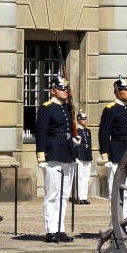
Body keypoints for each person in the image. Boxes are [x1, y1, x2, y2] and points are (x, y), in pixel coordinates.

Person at [35, 75, 78, 243]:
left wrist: (74, 140)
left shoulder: (66, 108)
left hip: (67, 153)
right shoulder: (47, 108)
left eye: (66, 89)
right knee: (52, 194)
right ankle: (50, 230)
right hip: (53, 154)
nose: (65, 92)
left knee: (64, 194)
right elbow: (41, 133)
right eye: (61, 89)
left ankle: (60, 228)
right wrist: (41, 155)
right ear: (53, 90)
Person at [98, 74, 127, 219]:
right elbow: (104, 133)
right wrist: (105, 154)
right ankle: (115, 223)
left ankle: (125, 221)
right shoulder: (111, 109)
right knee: (115, 192)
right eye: (125, 90)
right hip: (116, 153)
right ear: (117, 91)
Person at [75, 110, 92, 205]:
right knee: (80, 177)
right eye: (83, 119)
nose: (85, 121)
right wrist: (75, 157)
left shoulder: (88, 131)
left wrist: (90, 157)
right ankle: (79, 197)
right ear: (78, 120)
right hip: (79, 155)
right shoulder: (76, 130)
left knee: (86, 177)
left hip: (87, 156)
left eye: (85, 119)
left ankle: (84, 197)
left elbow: (89, 144)